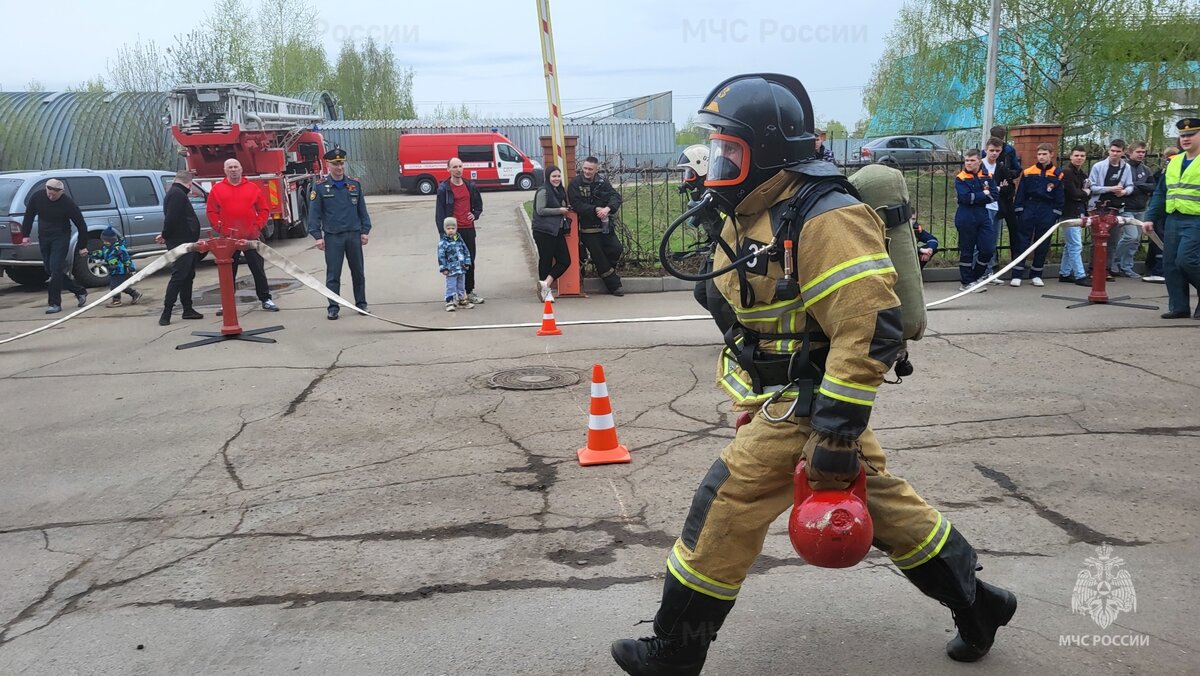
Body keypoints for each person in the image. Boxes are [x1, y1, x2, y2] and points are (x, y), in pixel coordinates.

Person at [611, 73, 1016, 676]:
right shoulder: (751, 208)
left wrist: (835, 433)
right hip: (784, 392)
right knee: (885, 506)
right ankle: (980, 604)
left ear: (771, 151)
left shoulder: (826, 216)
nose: (719, 161)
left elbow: (869, 331)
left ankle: (676, 650)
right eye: (716, 147)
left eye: (731, 149)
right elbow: (740, 303)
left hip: (815, 397)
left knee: (725, 502)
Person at [1143, 119, 1200, 319]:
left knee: (1187, 260)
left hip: (1196, 220)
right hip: (1173, 219)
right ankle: (1179, 306)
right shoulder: (1175, 162)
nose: (1185, 139)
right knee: (1171, 264)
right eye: (1182, 135)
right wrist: (1150, 217)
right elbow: (1161, 193)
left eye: (1191, 134)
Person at [206, 158, 279, 311]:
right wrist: (219, 227)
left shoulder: (252, 188)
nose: (233, 169)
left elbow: (264, 209)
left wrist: (257, 226)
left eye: (235, 167)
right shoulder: (217, 190)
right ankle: (226, 303)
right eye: (230, 167)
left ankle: (266, 299)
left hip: (250, 237)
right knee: (228, 272)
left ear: (241, 169)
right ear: (225, 171)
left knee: (258, 269)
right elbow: (212, 211)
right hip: (228, 238)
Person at [308, 147, 372, 320]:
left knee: (358, 272)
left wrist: (365, 231)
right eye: (335, 164)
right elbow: (314, 213)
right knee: (333, 274)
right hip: (333, 237)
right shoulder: (320, 187)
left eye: (341, 163)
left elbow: (362, 210)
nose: (339, 167)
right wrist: (317, 236)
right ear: (328, 165)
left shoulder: (354, 184)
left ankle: (361, 303)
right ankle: (333, 306)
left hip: (353, 235)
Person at [19, 178, 89, 314]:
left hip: (61, 237)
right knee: (49, 269)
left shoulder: (68, 204)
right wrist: (25, 235)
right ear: (46, 188)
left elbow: (81, 225)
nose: (51, 196)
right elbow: (29, 216)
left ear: (61, 192)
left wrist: (82, 245)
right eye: (49, 193)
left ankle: (55, 303)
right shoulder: (37, 197)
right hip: (44, 236)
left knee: (56, 269)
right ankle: (79, 291)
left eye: (54, 194)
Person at [567, 156, 626, 296]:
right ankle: (614, 285)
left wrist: (608, 209)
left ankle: (605, 271)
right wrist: (595, 209)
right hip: (588, 229)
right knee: (599, 256)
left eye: (590, 169)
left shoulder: (602, 182)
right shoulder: (575, 183)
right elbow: (577, 205)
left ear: (596, 169)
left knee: (616, 249)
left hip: (605, 226)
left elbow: (615, 197)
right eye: (585, 168)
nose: (587, 171)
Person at [1009, 143, 1064, 287]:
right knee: (1022, 241)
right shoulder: (1028, 172)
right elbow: (1021, 192)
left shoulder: (1058, 174)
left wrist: (1055, 213)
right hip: (1030, 207)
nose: (1041, 157)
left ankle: (1037, 274)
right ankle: (1017, 274)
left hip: (1047, 209)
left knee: (1042, 243)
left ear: (1051, 154)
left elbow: (1060, 196)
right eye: (1039, 154)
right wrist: (1019, 210)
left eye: (1044, 154)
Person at [434, 158, 485, 305]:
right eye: (454, 167)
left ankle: (468, 292)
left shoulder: (470, 185)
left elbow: (478, 205)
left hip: (468, 229)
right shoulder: (444, 189)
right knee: (453, 264)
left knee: (469, 261)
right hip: (453, 232)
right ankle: (454, 294)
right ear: (448, 169)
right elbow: (439, 213)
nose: (458, 169)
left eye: (460, 166)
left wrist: (474, 214)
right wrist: (443, 234)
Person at [157, 170, 204, 325]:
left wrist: (165, 233)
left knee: (187, 276)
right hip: (181, 242)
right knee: (179, 276)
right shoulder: (178, 194)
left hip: (185, 241)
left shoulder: (175, 193)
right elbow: (172, 217)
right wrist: (165, 234)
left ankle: (188, 309)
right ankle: (167, 312)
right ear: (189, 184)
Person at [1087, 139, 1136, 278]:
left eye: (1118, 151)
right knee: (1097, 240)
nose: (1114, 154)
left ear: (1123, 152)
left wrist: (1124, 192)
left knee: (1113, 240)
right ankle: (1093, 269)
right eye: (1112, 151)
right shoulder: (1098, 166)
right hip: (1099, 207)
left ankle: (1106, 269)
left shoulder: (1126, 168)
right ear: (1108, 150)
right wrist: (1110, 188)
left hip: (1116, 208)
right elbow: (1092, 187)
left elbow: (1130, 186)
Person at [955, 149, 998, 291]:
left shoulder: (987, 176)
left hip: (982, 215)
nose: (969, 163)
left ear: (979, 161)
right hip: (966, 216)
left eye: (972, 160)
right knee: (967, 250)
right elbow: (966, 198)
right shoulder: (960, 178)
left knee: (988, 249)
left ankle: (976, 277)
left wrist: (980, 195)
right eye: (967, 160)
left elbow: (993, 196)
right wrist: (983, 194)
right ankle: (966, 282)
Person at [530, 165, 572, 303]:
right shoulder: (543, 190)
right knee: (546, 260)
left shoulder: (558, 190)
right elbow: (540, 210)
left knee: (565, 260)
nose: (557, 179)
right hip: (543, 231)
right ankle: (545, 292)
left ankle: (545, 284)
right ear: (548, 177)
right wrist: (559, 210)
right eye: (554, 176)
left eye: (558, 176)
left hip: (556, 230)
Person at [1142, 146, 1180, 284]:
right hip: (1170, 212)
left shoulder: (1171, 165)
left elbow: (1158, 192)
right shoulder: (1175, 166)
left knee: (1162, 241)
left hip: (1171, 213)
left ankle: (1159, 271)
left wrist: (1150, 216)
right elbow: (1160, 191)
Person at [1060, 145, 1091, 285]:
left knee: (1070, 245)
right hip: (1068, 212)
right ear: (1071, 156)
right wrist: (1084, 193)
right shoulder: (1067, 173)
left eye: (1082, 156)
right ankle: (1080, 275)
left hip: (1079, 211)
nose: (1079, 158)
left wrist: (1083, 195)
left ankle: (1065, 273)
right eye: (1077, 155)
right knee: (1076, 245)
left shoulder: (1083, 174)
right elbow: (1073, 194)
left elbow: (1084, 195)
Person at [980, 138, 1008, 284]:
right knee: (981, 241)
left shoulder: (1001, 168)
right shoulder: (980, 165)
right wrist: (995, 188)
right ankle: (979, 272)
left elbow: (1007, 186)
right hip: (983, 208)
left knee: (992, 241)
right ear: (986, 150)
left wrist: (998, 189)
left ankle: (989, 271)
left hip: (996, 207)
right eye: (991, 150)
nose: (994, 153)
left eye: (997, 151)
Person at [96, 227, 143, 307]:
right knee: (121, 285)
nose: (105, 243)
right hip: (112, 270)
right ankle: (134, 293)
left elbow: (126, 258)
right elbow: (102, 254)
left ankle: (117, 301)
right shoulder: (106, 248)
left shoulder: (118, 249)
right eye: (104, 241)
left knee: (114, 286)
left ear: (112, 240)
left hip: (120, 270)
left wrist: (130, 267)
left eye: (106, 241)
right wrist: (92, 254)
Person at [438, 217, 473, 311]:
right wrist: (443, 268)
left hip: (461, 268)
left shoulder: (459, 240)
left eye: (453, 228)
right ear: (445, 229)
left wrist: (467, 262)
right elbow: (441, 256)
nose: (451, 230)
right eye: (448, 228)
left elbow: (466, 251)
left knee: (461, 285)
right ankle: (450, 301)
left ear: (456, 229)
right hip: (450, 270)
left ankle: (462, 300)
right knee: (451, 286)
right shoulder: (443, 243)